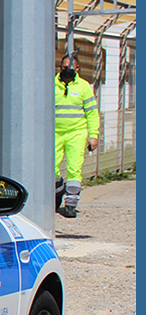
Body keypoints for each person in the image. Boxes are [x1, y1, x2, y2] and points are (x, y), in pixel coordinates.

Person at [54, 54, 99, 218]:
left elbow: (92, 113)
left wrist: (93, 135)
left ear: (77, 69)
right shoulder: (52, 84)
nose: (66, 71)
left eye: (70, 68)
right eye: (64, 67)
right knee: (50, 167)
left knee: (74, 169)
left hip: (77, 133)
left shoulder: (84, 87)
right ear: (60, 67)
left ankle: (71, 205)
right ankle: (58, 191)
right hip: (55, 133)